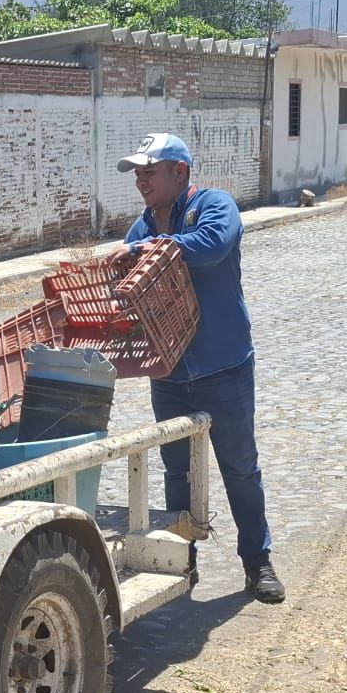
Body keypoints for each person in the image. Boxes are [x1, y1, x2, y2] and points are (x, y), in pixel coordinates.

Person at [113, 133, 285, 604]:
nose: (142, 180)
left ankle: (258, 562)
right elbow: (129, 289)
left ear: (180, 173)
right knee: (176, 473)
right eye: (138, 173)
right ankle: (181, 563)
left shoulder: (214, 205)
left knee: (240, 468)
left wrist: (139, 252)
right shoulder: (139, 228)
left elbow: (209, 247)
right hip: (168, 373)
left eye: (151, 171)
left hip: (222, 365)